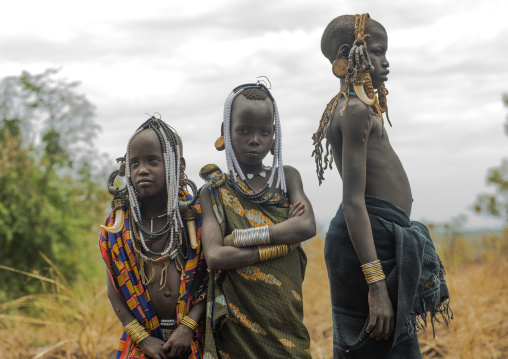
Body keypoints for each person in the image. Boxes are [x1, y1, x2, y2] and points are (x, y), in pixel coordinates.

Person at [312, 14, 452, 358]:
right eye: (377, 51)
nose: (385, 62)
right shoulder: (354, 111)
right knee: (372, 344)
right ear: (350, 52)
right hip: (366, 243)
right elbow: (354, 203)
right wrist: (376, 285)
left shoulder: (357, 108)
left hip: (377, 237)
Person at [199, 82, 316, 358]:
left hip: (284, 318)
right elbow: (215, 256)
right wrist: (284, 240)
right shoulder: (214, 191)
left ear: (274, 136)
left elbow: (306, 226)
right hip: (238, 327)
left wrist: (240, 239)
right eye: (244, 130)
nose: (255, 139)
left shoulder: (287, 178)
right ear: (226, 133)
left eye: (264, 132)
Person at [99, 116, 208, 359]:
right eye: (135, 163)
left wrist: (188, 326)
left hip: (193, 339)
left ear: (174, 165)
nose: (143, 170)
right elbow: (113, 290)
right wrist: (143, 339)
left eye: (153, 161)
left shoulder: (195, 216)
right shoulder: (120, 226)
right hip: (142, 344)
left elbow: (213, 278)